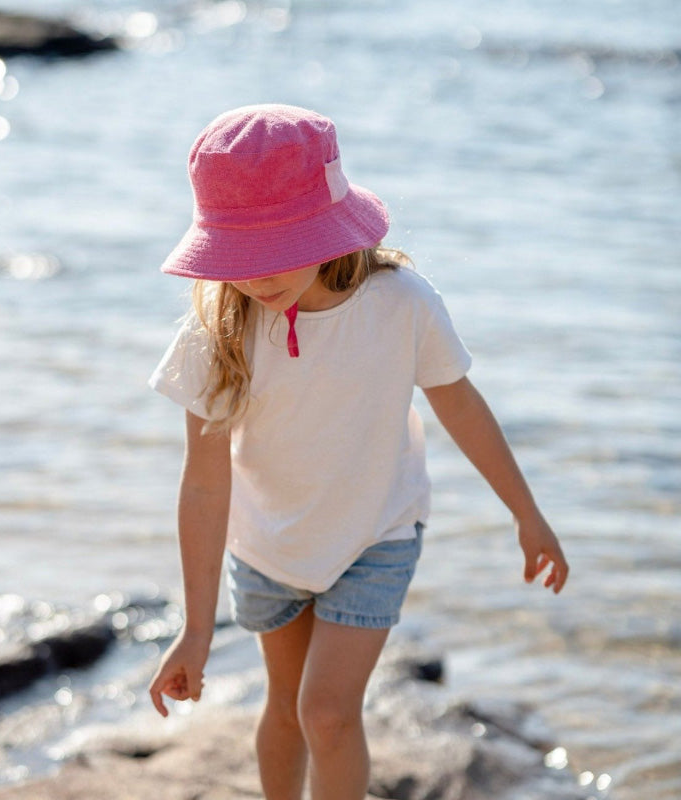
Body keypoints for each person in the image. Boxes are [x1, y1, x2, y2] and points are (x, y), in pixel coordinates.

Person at [147, 103, 569, 800]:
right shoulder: (216, 329)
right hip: (269, 547)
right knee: (285, 707)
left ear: (328, 227)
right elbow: (203, 484)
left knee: (327, 713)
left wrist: (526, 513)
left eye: (280, 245)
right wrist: (195, 630)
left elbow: (459, 404)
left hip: (377, 533)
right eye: (241, 252)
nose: (258, 275)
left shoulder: (400, 303)